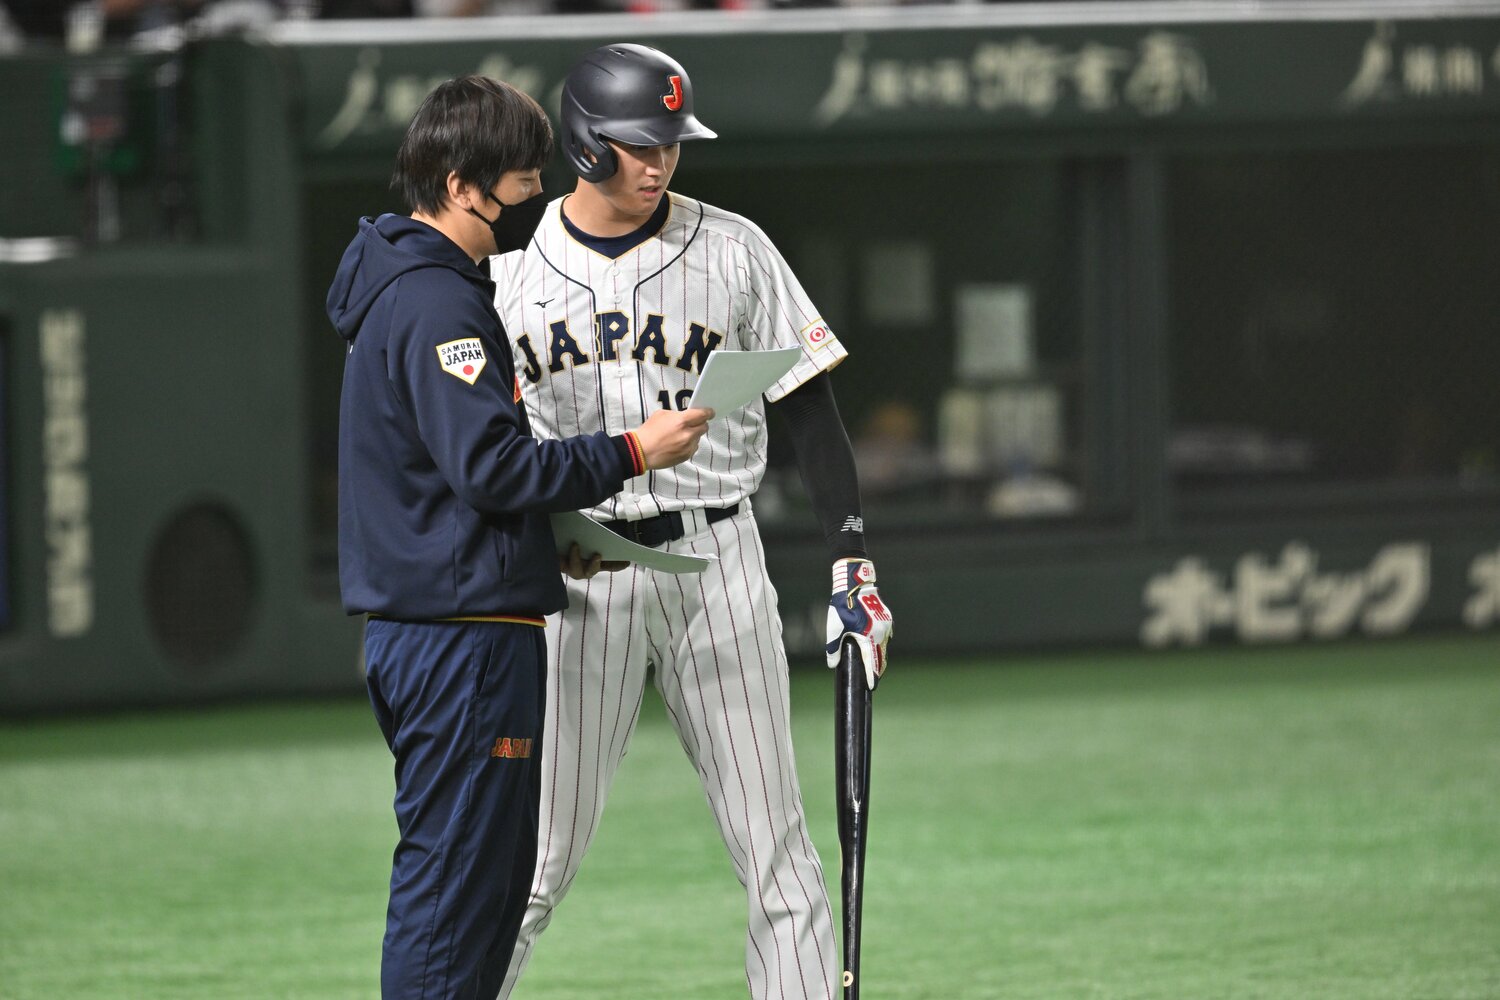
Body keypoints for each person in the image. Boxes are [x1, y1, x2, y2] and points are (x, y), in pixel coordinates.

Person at [490, 43, 894, 1000]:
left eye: (671, 141)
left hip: (718, 558)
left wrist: (851, 557)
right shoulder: (509, 277)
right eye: (639, 144)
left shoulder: (735, 248)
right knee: (534, 857)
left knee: (778, 853)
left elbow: (808, 409)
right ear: (588, 146)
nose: (661, 162)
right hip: (582, 569)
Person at [326, 74, 712, 999]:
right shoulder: (435, 302)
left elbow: (454, 484)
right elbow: (490, 472)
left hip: (441, 623)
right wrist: (633, 449)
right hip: (461, 639)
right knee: (458, 892)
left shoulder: (408, 289)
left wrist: (546, 541)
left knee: (479, 889)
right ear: (461, 184)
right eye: (518, 175)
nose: (535, 190)